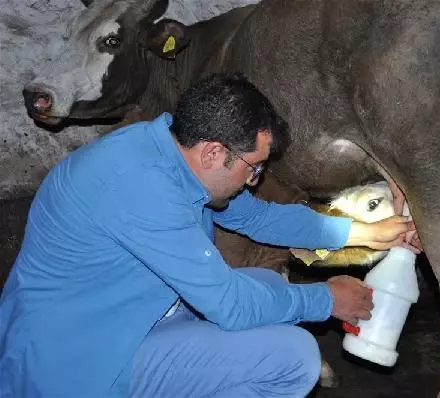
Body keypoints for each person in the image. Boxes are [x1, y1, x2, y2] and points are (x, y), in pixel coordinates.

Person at [0, 73, 418, 397]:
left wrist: (364, 233)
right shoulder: (142, 188)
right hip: (77, 365)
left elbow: (258, 218)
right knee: (293, 357)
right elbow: (229, 305)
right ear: (214, 152)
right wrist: (326, 299)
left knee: (268, 284)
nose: (254, 181)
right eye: (253, 168)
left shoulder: (167, 150)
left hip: (114, 316)